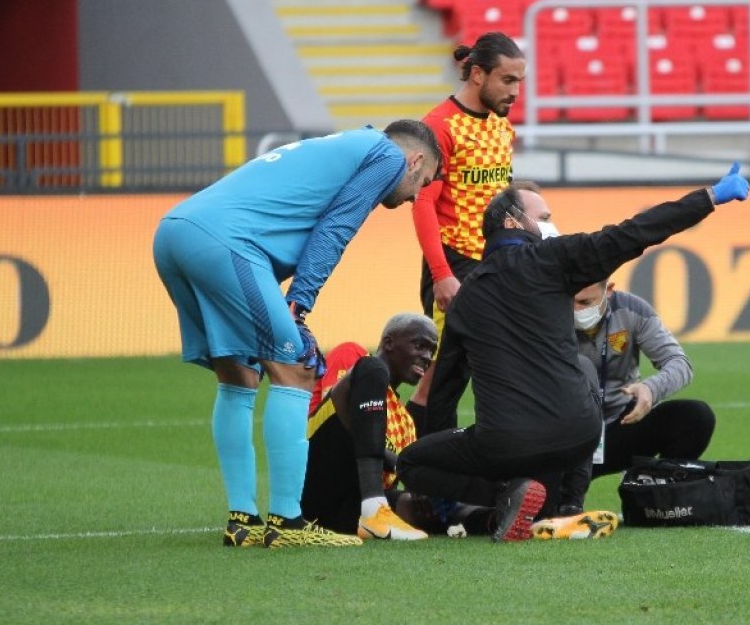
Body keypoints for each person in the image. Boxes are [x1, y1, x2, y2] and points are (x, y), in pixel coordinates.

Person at [396, 166, 750, 542]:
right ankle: (555, 506)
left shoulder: (466, 299)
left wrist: (447, 474)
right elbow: (634, 232)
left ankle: (505, 498)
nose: (551, 225)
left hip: (508, 444)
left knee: (412, 461)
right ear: (514, 222)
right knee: (577, 376)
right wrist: (708, 198)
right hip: (580, 436)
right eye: (544, 218)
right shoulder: (554, 260)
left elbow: (444, 395)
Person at [152, 120, 442, 548]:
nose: (418, 194)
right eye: (424, 181)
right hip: (226, 241)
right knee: (296, 369)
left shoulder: (347, 144)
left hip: (176, 231)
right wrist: (300, 304)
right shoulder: (386, 157)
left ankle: (242, 519)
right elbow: (336, 228)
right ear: (414, 160)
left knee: (239, 377)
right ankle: (287, 522)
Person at [409, 32, 527, 410]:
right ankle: (412, 463)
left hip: (496, 263)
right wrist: (442, 274)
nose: (515, 92)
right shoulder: (440, 126)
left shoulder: (500, 126)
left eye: (519, 82)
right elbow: (423, 203)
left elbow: (502, 193)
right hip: (455, 264)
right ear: (478, 74)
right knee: (439, 381)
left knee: (502, 372)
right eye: (507, 81)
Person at [567, 279, 715, 504]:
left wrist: (650, 389)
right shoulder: (546, 313)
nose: (575, 310)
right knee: (550, 509)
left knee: (696, 416)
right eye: (571, 301)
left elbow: (679, 363)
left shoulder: (632, 309)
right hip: (566, 436)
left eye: (585, 302)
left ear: (609, 290)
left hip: (620, 424)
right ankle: (562, 494)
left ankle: (658, 495)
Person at [301, 314, 438, 541]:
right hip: (317, 477)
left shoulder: (405, 422)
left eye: (431, 351)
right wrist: (403, 464)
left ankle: (495, 515)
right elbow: (337, 419)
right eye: (420, 345)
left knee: (426, 505)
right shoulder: (356, 357)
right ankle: (374, 509)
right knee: (373, 369)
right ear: (388, 342)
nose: (427, 357)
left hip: (346, 512)